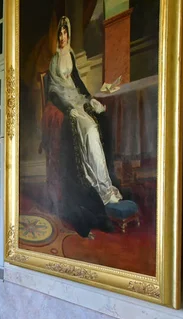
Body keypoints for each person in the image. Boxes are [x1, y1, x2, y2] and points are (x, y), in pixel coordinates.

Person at [47, 16, 124, 237]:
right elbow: (52, 90)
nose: (63, 38)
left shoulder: (70, 54)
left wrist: (90, 99)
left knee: (99, 122)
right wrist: (66, 107)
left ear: (69, 35)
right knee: (88, 129)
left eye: (65, 33)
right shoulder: (54, 60)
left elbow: (78, 81)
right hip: (66, 99)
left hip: (76, 96)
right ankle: (93, 181)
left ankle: (105, 183)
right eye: (60, 34)